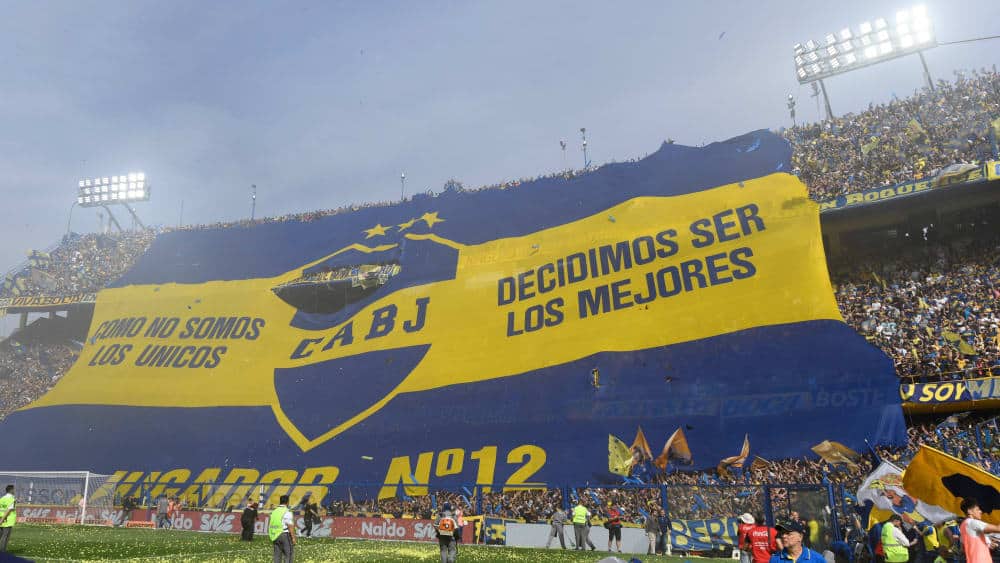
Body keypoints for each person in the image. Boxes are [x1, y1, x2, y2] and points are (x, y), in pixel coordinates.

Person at [959, 499, 1000, 563]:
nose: (981, 512)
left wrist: (988, 544)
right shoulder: (972, 522)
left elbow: (963, 547)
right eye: (977, 509)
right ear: (970, 511)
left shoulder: (963, 525)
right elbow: (998, 529)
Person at [269, 494, 296, 563]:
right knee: (289, 554)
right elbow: (290, 525)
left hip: (275, 535)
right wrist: (293, 538)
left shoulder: (274, 511)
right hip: (284, 535)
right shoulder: (287, 511)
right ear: (287, 502)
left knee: (277, 555)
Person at [0, 485, 16, 553]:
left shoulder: (2, 498)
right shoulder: (12, 499)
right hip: (7, 520)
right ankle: (2, 552)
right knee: (5, 537)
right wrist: (2, 520)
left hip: (1, 518)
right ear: (11, 490)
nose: (14, 491)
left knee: (1, 535)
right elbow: (8, 510)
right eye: (14, 489)